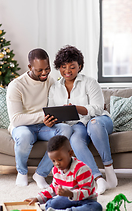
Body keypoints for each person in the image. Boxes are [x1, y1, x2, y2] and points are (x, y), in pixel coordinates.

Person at [48, 45, 118, 195]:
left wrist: (77, 108)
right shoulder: (55, 88)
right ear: (58, 68)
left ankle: (110, 172)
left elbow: (98, 108)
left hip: (98, 120)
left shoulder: (90, 82)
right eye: (63, 67)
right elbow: (51, 109)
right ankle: (98, 179)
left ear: (79, 66)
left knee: (94, 125)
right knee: (74, 140)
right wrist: (50, 120)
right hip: (76, 125)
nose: (67, 71)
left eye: (72, 67)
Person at [6, 48, 72, 189]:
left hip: (43, 126)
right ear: (30, 67)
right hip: (23, 127)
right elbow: (16, 120)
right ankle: (22, 172)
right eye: (39, 70)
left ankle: (40, 174)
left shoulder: (50, 81)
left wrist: (60, 113)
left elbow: (55, 105)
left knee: (66, 130)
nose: (44, 73)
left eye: (47, 69)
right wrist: (42, 117)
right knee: (23, 135)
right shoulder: (16, 86)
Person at [25, 135, 103, 211]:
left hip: (85, 200)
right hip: (67, 198)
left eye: (60, 159)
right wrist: (37, 199)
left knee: (96, 208)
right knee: (50, 204)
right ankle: (73, 210)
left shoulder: (82, 169)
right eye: (53, 161)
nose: (57, 164)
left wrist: (70, 194)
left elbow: (87, 191)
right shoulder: (56, 170)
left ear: (70, 153)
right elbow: (52, 188)